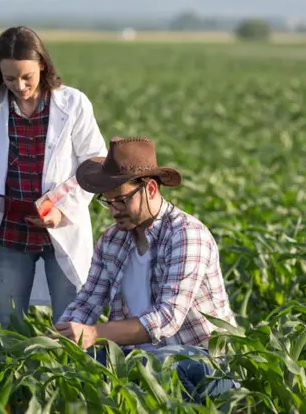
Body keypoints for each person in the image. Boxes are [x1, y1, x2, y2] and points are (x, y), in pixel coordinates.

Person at [0, 26, 107, 330]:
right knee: (9, 324)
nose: (20, 86)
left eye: (27, 77)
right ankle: (16, 377)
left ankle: (73, 377)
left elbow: (95, 163)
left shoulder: (73, 104)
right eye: (10, 78)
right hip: (9, 231)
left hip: (59, 227)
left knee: (72, 322)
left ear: (43, 66)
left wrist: (62, 209)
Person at [54, 136, 240, 404]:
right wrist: (58, 339)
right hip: (140, 357)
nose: (114, 211)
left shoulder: (187, 235)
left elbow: (167, 318)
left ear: (150, 189)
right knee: (75, 367)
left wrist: (94, 333)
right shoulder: (112, 240)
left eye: (121, 200)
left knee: (157, 364)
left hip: (205, 362)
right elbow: (88, 300)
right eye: (108, 202)